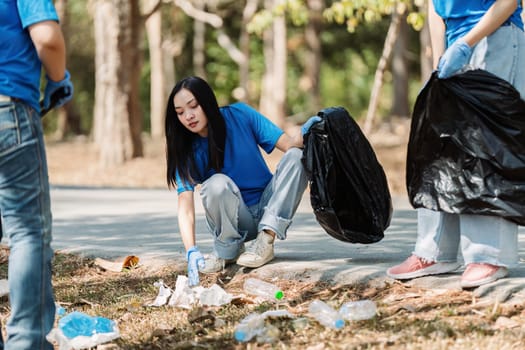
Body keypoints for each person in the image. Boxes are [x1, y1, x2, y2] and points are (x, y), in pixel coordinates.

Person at [387, 0, 524, 288]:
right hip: (455, 41)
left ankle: (489, 255)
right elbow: (434, 5)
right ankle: (434, 251)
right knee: (441, 145)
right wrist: (441, 57)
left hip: (495, 36)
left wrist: (467, 42)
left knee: (486, 147)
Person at [165, 76, 319, 286]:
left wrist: (307, 133)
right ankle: (228, 251)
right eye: (180, 112)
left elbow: (288, 146)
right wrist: (191, 250)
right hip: (236, 221)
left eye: (193, 106)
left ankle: (266, 239)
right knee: (215, 183)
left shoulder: (240, 115)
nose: (189, 116)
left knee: (296, 156)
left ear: (207, 101)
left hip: (268, 206)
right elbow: (185, 205)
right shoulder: (184, 148)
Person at [0, 1, 73, 348]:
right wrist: (59, 80)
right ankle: (25, 343)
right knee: (27, 231)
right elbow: (47, 39)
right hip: (8, 106)